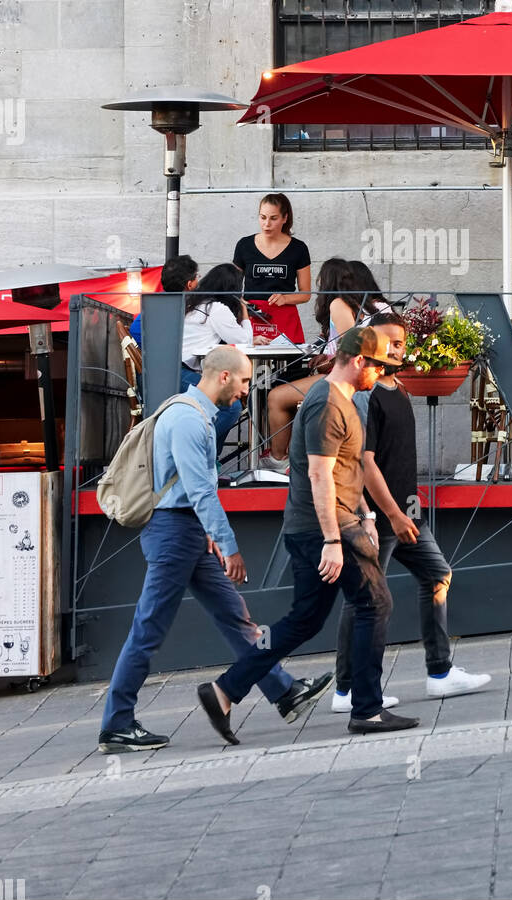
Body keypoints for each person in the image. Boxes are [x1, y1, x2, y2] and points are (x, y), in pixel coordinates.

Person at [97, 346, 333, 754]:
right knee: (148, 628)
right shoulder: (189, 420)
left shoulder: (191, 412)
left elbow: (197, 493)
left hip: (184, 530)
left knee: (234, 616)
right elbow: (201, 492)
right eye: (244, 382)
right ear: (223, 377)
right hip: (175, 532)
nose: (246, 391)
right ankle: (116, 724)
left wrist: (208, 534)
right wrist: (229, 547)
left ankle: (284, 690)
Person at [196, 327, 420, 740]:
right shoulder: (327, 404)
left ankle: (225, 689)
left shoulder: (341, 401)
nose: (382, 375)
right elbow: (319, 473)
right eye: (379, 367)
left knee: (304, 619)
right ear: (358, 362)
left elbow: (346, 470)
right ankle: (367, 709)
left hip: (327, 525)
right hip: (326, 529)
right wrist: (334, 540)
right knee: (375, 604)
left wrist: (368, 513)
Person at [332, 311, 491, 712]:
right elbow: (365, 464)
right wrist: (392, 516)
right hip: (381, 516)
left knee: (437, 574)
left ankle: (439, 673)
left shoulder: (398, 387)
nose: (397, 349)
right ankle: (347, 690)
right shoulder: (367, 397)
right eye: (389, 343)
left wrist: (408, 512)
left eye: (401, 343)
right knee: (365, 599)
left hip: (405, 512)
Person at [263, 258, 392, 470]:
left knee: (276, 396)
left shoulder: (340, 304)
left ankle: (278, 460)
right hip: (380, 377)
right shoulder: (382, 306)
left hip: (348, 379)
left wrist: (328, 364)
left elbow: (350, 348)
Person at [181, 263, 259, 456]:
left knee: (223, 407)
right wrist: (244, 312)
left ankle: (210, 462)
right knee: (229, 407)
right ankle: (197, 451)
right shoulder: (217, 309)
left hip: (177, 371)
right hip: (183, 374)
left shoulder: (196, 304)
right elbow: (244, 341)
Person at [232, 192, 311, 345]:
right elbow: (232, 289)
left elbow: (306, 293)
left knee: (289, 366)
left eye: (273, 218)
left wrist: (285, 298)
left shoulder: (298, 248)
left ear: (285, 218)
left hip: (284, 315)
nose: (266, 224)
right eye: (263, 217)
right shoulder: (244, 245)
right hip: (252, 316)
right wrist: (242, 304)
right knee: (249, 366)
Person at [128, 254, 198, 348]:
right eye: (197, 276)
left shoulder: (158, 301)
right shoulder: (171, 305)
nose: (198, 281)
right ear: (189, 284)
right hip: (170, 360)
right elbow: (136, 330)